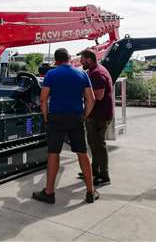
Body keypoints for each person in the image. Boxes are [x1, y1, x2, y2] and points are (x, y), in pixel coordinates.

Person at [32, 48, 99, 204]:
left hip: (56, 118)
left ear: (56, 61)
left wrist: (46, 117)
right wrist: (84, 115)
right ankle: (90, 191)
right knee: (82, 154)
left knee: (53, 153)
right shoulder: (81, 74)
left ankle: (49, 193)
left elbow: (43, 99)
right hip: (76, 118)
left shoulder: (51, 74)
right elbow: (92, 99)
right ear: (69, 58)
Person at [79, 49, 114, 186]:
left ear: (88, 59)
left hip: (99, 115)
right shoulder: (94, 71)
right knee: (93, 144)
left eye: (82, 59)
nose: (81, 62)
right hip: (97, 114)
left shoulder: (97, 73)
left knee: (99, 145)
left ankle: (104, 176)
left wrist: (84, 111)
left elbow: (98, 96)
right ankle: (94, 170)